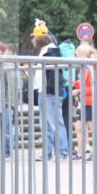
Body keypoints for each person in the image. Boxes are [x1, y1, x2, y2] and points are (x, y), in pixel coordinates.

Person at [32, 21, 69, 161]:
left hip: (50, 92)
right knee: (45, 124)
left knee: (55, 122)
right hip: (43, 91)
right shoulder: (45, 50)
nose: (33, 40)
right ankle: (47, 152)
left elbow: (54, 73)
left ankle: (63, 152)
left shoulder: (51, 50)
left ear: (40, 38)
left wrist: (49, 89)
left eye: (35, 38)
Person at [71, 44, 97, 160]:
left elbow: (94, 87)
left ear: (82, 55)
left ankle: (94, 151)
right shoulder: (86, 67)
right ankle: (81, 153)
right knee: (79, 126)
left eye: (77, 55)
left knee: (89, 127)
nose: (76, 57)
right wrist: (75, 84)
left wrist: (78, 90)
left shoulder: (91, 68)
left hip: (89, 102)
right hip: (85, 102)